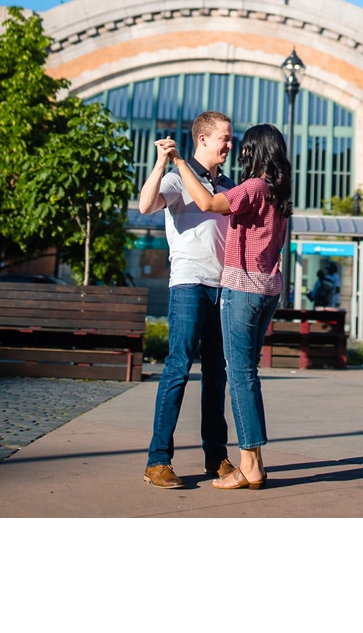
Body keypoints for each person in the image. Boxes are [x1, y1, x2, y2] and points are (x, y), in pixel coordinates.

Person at [163, 121, 292, 491]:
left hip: (242, 289)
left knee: (239, 377)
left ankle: (250, 463)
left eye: (246, 147)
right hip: (269, 289)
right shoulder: (279, 192)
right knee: (247, 374)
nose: (240, 152)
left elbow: (206, 202)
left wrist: (179, 162)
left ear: (256, 151)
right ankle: (254, 462)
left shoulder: (251, 187)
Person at [139, 110, 237, 488]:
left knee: (216, 375)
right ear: (203, 139)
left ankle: (217, 457)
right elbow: (146, 206)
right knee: (178, 368)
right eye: (224, 138)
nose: (230, 145)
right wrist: (163, 161)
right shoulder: (178, 177)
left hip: (223, 286)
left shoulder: (229, 184)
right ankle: (157, 461)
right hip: (189, 283)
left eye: (231, 138)